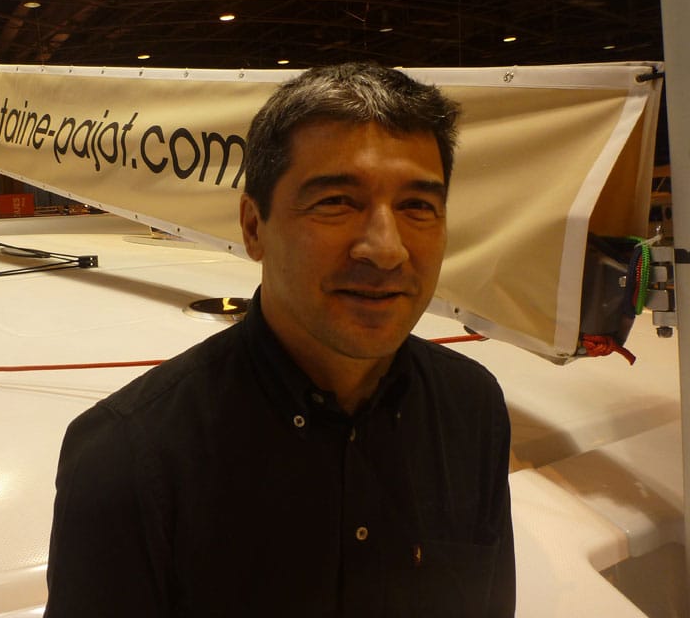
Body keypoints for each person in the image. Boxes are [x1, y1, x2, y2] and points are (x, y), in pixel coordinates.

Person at [44, 62, 515, 617]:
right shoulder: (126, 461)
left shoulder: (473, 409)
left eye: (417, 206)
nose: (387, 250)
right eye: (336, 201)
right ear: (253, 227)